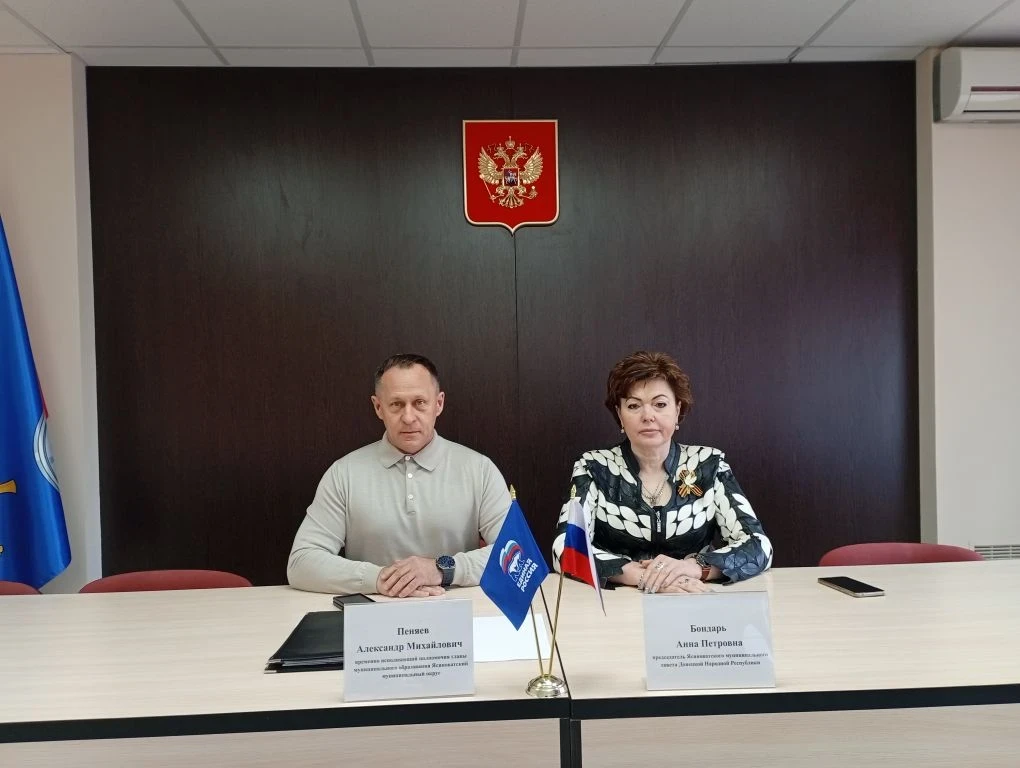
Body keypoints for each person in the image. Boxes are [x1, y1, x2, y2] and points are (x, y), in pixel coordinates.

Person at [288, 354, 511, 597]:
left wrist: (442, 570)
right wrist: (380, 579)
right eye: (396, 404)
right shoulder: (344, 474)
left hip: (458, 610)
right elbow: (301, 563)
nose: (408, 417)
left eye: (419, 402)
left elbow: (517, 553)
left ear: (438, 404)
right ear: (378, 407)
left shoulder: (479, 470)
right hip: (371, 612)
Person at [552, 351, 772, 594]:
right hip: (620, 603)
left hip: (694, 598)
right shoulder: (594, 467)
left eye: (660, 404)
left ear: (677, 409)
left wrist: (694, 568)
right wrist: (645, 578)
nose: (648, 416)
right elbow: (566, 548)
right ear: (620, 415)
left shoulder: (708, 465)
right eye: (633, 406)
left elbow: (759, 546)